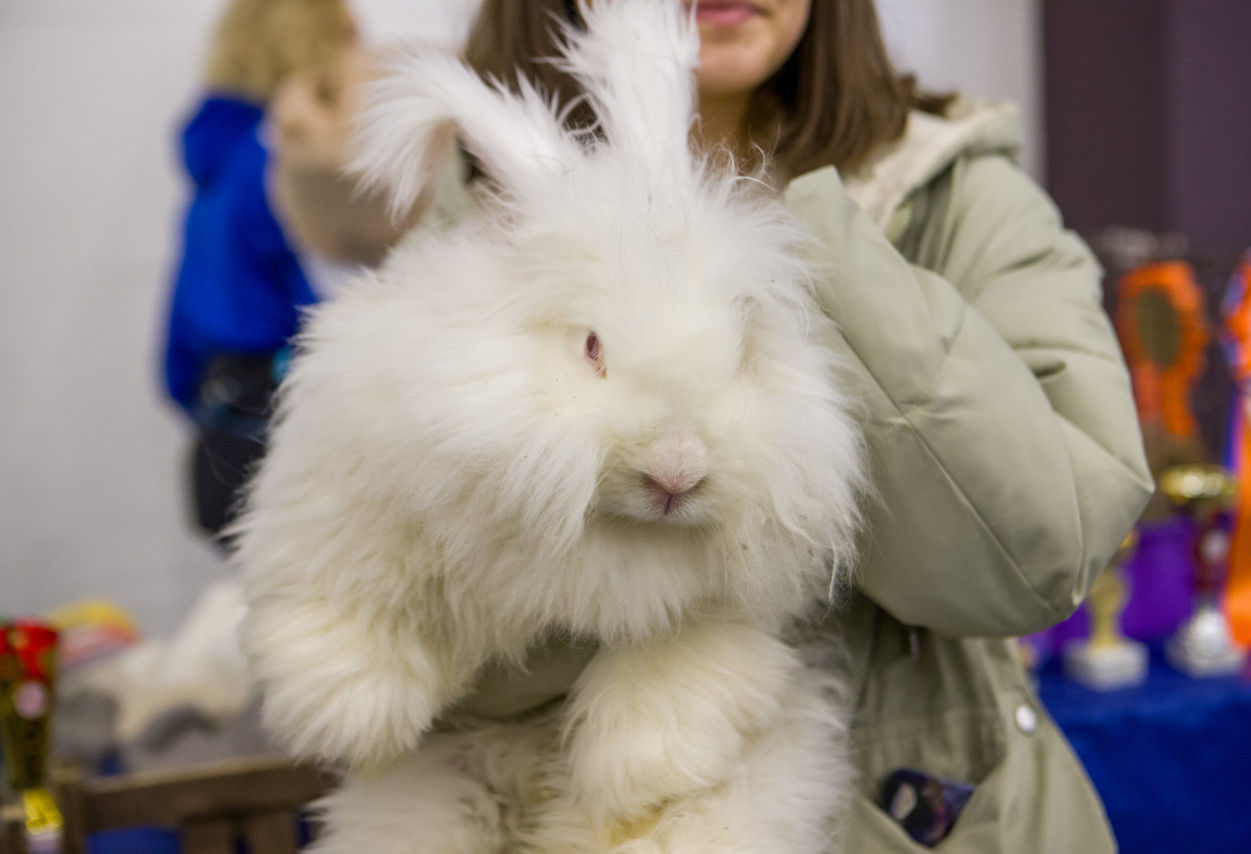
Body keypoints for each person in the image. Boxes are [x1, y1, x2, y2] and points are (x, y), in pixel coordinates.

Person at [268, 1, 1153, 850]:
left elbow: (1041, 551)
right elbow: (367, 571)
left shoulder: (964, 195)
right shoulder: (484, 222)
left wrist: (810, 250)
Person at [162, 0, 387, 544]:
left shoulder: (213, 167)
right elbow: (337, 305)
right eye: (351, 36)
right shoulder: (282, 167)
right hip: (280, 437)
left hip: (219, 434)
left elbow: (175, 359)